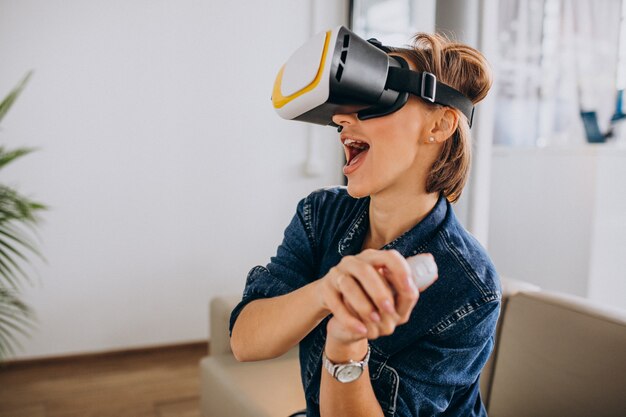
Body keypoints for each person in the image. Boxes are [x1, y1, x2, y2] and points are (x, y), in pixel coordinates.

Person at [229, 32, 500, 417]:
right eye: (341, 110)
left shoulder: (470, 286)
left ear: (439, 125)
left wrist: (345, 343)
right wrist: (328, 290)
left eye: (374, 100)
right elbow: (245, 342)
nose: (341, 119)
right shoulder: (321, 214)